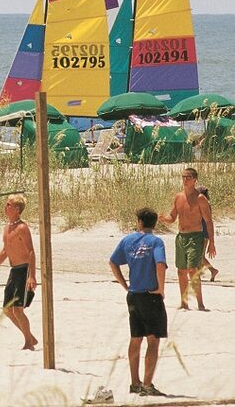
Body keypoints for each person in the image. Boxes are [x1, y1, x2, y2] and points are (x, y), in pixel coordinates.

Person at [109, 207, 168, 397]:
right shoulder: (156, 241)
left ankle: (135, 382)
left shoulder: (128, 240)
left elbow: (113, 262)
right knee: (153, 340)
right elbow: (160, 264)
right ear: (154, 223)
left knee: (136, 338)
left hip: (133, 295)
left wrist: (124, 284)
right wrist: (161, 288)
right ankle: (147, 384)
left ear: (139, 222)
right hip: (150, 295)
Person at [0, 194, 38, 350]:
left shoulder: (22, 228)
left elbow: (31, 252)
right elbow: (5, 251)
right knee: (7, 309)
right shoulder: (7, 228)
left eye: (9, 204)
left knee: (18, 309)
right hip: (14, 271)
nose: (5, 207)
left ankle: (28, 343)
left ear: (17, 209)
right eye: (6, 204)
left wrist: (32, 276)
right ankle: (30, 337)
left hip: (24, 270)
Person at [158, 168, 216, 310]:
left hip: (196, 237)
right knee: (181, 271)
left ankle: (200, 304)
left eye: (188, 177)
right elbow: (172, 217)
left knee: (192, 270)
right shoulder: (178, 197)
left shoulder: (200, 198)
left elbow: (208, 221)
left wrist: (212, 243)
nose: (185, 180)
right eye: (183, 177)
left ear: (195, 179)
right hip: (181, 237)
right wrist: (163, 219)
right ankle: (184, 303)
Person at [198, 187, 219, 282]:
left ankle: (212, 270)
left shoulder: (202, 203)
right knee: (199, 255)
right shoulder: (206, 203)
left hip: (202, 232)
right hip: (204, 231)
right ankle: (198, 273)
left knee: (199, 255)